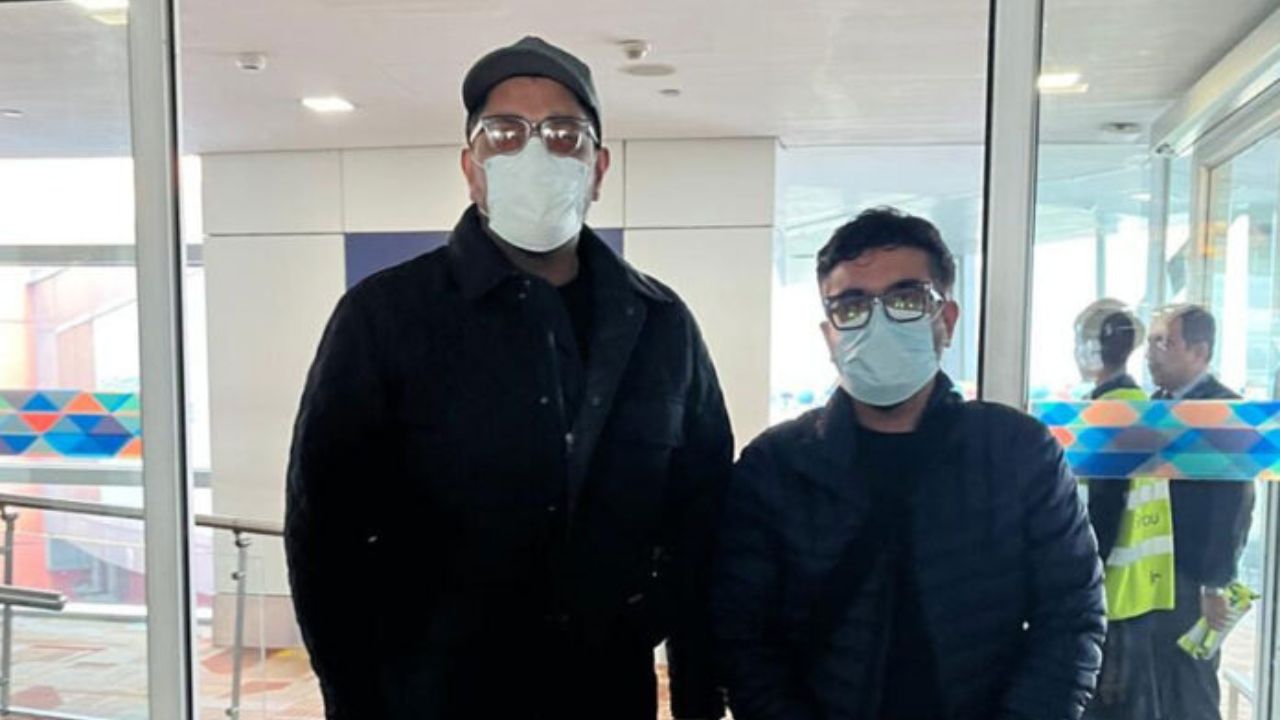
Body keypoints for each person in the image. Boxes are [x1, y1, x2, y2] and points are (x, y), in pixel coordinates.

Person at [285, 36, 731, 720]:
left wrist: (700, 694)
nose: (535, 153)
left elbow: (701, 518)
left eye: (563, 135)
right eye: (505, 134)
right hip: (434, 697)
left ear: (598, 168)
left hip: (605, 693)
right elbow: (326, 531)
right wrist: (353, 702)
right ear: (472, 167)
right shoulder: (386, 317)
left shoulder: (660, 325)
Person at [711, 207, 1105, 720]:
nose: (878, 322)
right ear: (830, 334)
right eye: (852, 305)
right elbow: (742, 637)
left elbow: (1072, 617)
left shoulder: (1016, 452)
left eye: (905, 300)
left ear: (947, 319)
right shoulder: (776, 467)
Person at [1146, 304, 1255, 720]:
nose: (1152, 353)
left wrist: (1214, 584)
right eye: (1152, 341)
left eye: (1165, 343)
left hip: (1194, 576)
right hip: (1152, 574)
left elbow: (1234, 507)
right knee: (1155, 687)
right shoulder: (1152, 406)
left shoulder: (1225, 411)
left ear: (1200, 352)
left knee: (1191, 689)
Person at [1074, 300, 1170, 720]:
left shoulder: (1107, 415)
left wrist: (1082, 581)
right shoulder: (1144, 406)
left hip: (1110, 592)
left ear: (1092, 348)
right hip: (1142, 589)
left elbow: (1105, 509)